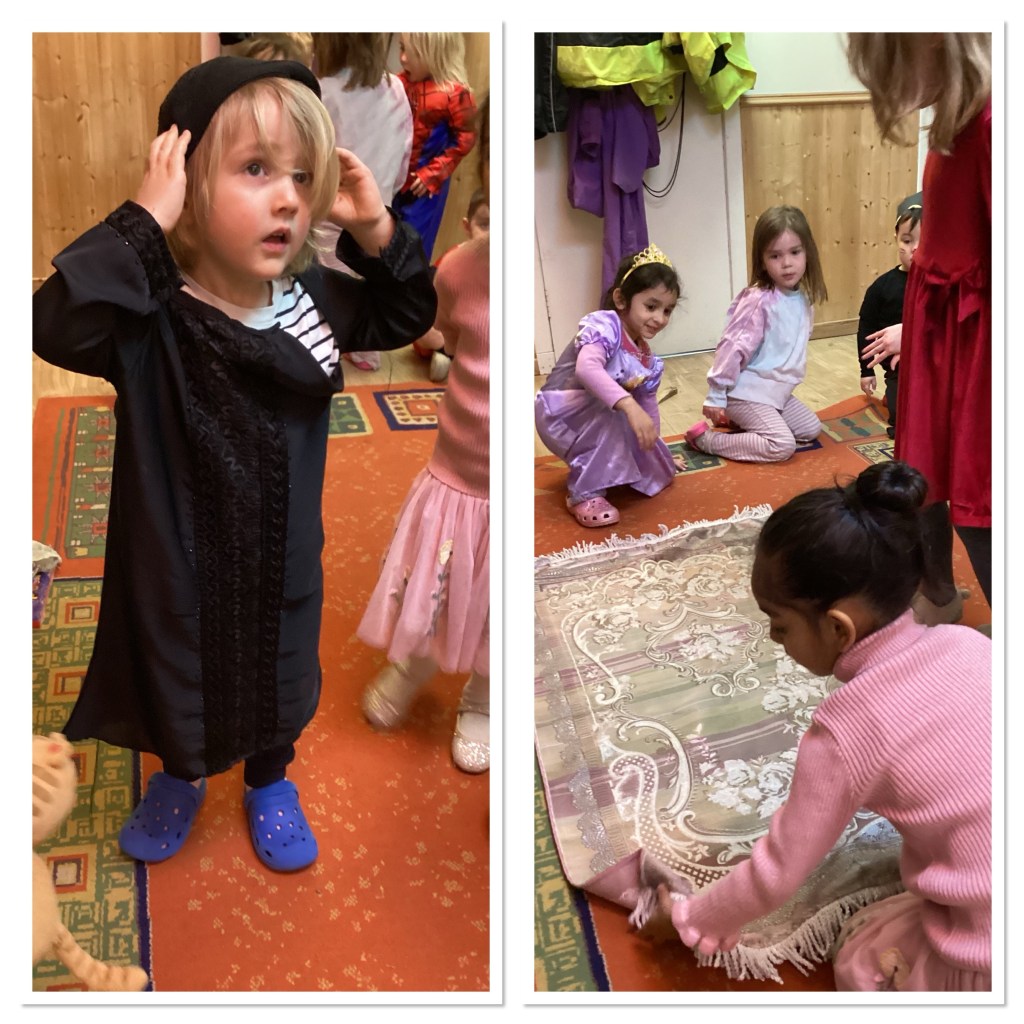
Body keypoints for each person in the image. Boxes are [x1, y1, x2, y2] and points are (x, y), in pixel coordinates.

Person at [32, 57, 436, 872]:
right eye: (256, 169)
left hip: (282, 551)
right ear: (183, 182)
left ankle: (268, 779)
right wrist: (141, 223)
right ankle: (181, 774)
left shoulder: (314, 298)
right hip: (178, 560)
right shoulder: (148, 318)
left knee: (280, 666)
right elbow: (53, 321)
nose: (288, 197)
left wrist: (374, 227)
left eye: (303, 176)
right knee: (178, 668)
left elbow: (405, 311)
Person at [657, 461, 991, 991]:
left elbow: (776, 872)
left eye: (779, 624)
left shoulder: (845, 731)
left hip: (988, 958)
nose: (773, 640)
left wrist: (693, 918)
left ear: (838, 628)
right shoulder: (971, 642)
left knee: (861, 955)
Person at [357, 97, 491, 774]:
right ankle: (415, 660)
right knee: (436, 577)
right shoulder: (463, 267)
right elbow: (441, 333)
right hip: (456, 472)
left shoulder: (547, 278)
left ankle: (487, 693)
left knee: (497, 596)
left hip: (507, 488)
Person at [846, 33, 991, 620]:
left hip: (978, 362)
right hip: (942, 352)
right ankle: (938, 590)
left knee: (981, 506)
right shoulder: (959, 119)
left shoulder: (994, 126)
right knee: (925, 480)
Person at [535, 245, 682, 528]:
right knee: (616, 414)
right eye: (651, 307)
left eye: (667, 310)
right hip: (560, 413)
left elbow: (647, 406)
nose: (660, 318)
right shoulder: (605, 326)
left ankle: (611, 465)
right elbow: (587, 369)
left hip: (596, 413)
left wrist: (653, 448)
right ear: (621, 299)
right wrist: (628, 405)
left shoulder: (646, 358)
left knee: (651, 458)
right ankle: (583, 493)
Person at [684, 205, 827, 463]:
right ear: (762, 260)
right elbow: (732, 347)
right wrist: (716, 394)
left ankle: (742, 422)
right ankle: (708, 440)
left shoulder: (803, 299)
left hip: (775, 394)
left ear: (808, 252)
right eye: (775, 256)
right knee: (782, 445)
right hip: (745, 393)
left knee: (810, 429)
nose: (787, 263)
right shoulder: (759, 300)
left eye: (795, 252)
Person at [314, 32, 414, 374]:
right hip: (378, 203)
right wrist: (388, 187)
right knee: (370, 275)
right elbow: (404, 153)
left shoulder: (320, 92)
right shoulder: (396, 89)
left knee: (329, 284)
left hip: (330, 212)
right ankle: (366, 350)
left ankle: (329, 348)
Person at [393, 32, 477, 261]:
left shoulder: (456, 95)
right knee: (385, 240)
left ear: (434, 54)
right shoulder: (401, 83)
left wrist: (435, 172)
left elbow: (467, 138)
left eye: (411, 52)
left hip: (424, 189)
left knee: (414, 247)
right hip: (395, 181)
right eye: (401, 48)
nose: (403, 58)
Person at [857, 192, 922, 439]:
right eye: (907, 240)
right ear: (896, 237)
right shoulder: (882, 287)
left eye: (923, 242)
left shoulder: (938, 287)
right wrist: (866, 370)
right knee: (902, 422)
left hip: (928, 366)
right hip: (897, 369)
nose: (914, 249)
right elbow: (866, 329)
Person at [412, 187, 490, 382]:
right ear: (467, 226)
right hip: (452, 329)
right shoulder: (452, 261)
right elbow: (430, 304)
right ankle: (446, 353)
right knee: (422, 330)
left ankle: (455, 358)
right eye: (485, 225)